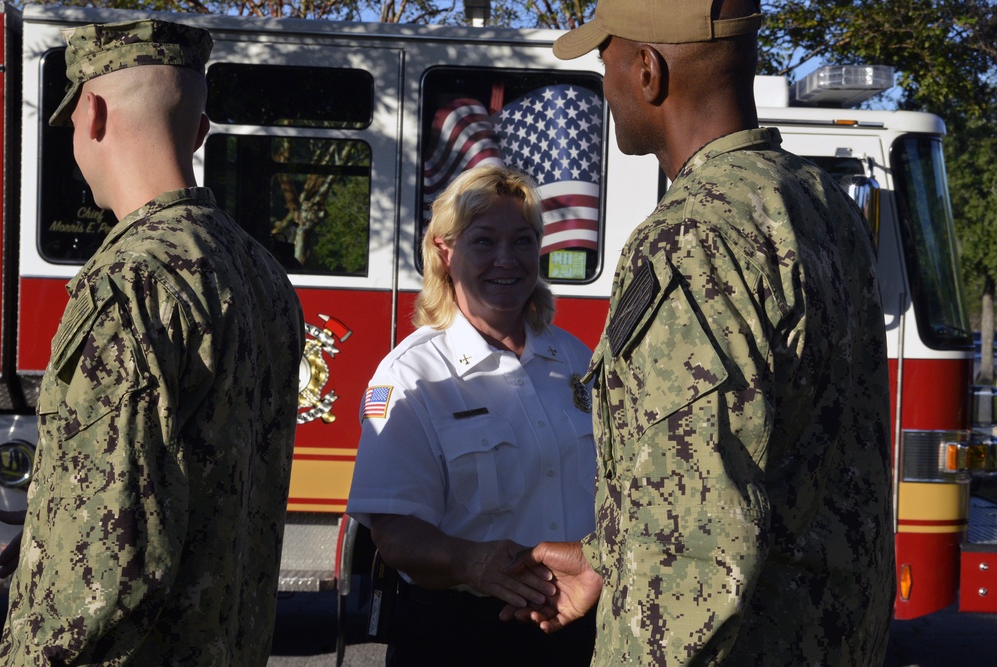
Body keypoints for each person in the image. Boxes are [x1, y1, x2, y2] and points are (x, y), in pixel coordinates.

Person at [502, 1, 896, 665]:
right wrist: (610, 556)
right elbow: (787, 459)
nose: (604, 86)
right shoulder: (821, 202)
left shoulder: (691, 238)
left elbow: (697, 555)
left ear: (647, 72)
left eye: (606, 61)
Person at [0, 19, 303, 666]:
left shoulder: (131, 281)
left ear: (92, 113)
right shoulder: (262, 274)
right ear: (200, 131)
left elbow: (109, 563)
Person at [346, 164, 597, 665]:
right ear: (445, 251)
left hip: (578, 627)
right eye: (484, 241)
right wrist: (472, 561)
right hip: (458, 635)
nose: (507, 259)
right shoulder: (411, 375)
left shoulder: (576, 360)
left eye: (523, 240)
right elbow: (393, 532)